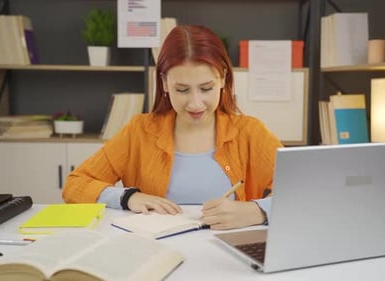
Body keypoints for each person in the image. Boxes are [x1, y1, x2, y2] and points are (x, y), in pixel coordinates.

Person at [62, 25, 283, 230]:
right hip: (154, 255)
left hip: (230, 261)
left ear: (223, 79)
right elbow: (75, 185)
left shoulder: (250, 132)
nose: (195, 103)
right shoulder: (139, 131)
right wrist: (128, 197)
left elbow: (308, 191)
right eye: (182, 90)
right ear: (165, 83)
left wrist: (259, 211)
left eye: (206, 88)